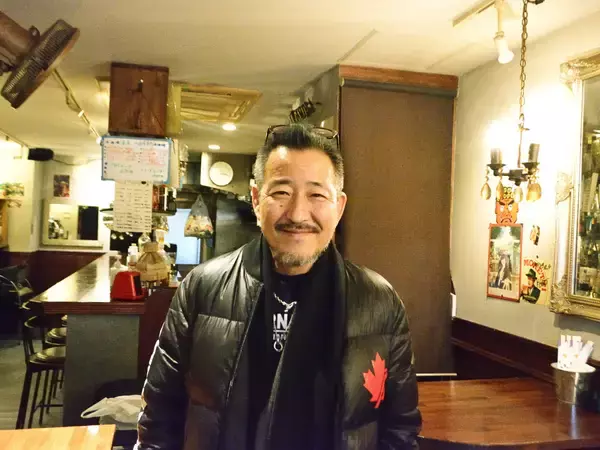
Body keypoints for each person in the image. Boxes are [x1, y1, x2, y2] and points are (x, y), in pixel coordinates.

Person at [135, 124, 421, 450]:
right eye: (281, 192)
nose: (298, 213)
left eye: (316, 194)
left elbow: (400, 429)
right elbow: (159, 421)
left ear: (339, 207)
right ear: (256, 200)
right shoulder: (202, 289)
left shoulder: (379, 301)